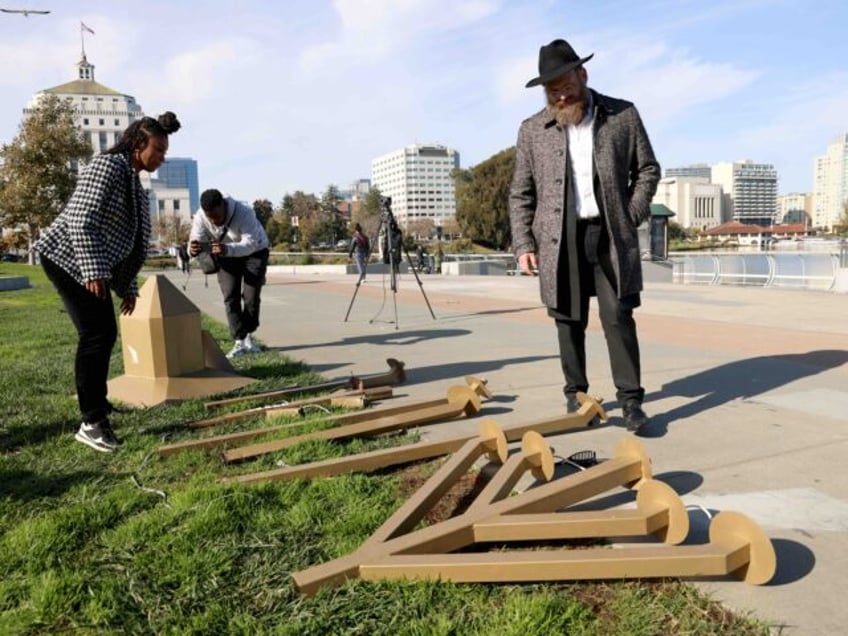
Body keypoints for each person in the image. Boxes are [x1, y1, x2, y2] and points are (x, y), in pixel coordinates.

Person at [509, 39, 660, 433]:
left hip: (610, 234)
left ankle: (631, 403)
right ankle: (577, 398)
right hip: (560, 239)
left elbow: (647, 170)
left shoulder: (622, 115)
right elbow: (520, 192)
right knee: (568, 320)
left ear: (583, 75)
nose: (561, 93)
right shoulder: (532, 130)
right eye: (552, 88)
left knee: (618, 317)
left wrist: (628, 215)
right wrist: (524, 243)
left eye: (566, 83)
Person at [36, 111, 182, 452]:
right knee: (97, 333)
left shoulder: (132, 177)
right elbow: (81, 220)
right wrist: (94, 271)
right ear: (137, 145)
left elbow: (129, 240)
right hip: (66, 257)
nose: (161, 158)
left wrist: (127, 285)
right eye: (157, 150)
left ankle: (98, 406)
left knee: (102, 332)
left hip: (91, 262)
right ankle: (91, 422)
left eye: (164, 151)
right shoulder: (107, 166)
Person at [189, 188, 270, 358]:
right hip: (225, 254)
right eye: (210, 218)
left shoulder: (244, 212)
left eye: (218, 217)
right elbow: (196, 240)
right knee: (230, 296)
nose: (215, 222)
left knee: (251, 295)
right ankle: (239, 341)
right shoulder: (200, 217)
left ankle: (248, 334)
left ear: (224, 206)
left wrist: (227, 248)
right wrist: (193, 249)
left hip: (255, 252)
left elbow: (251, 244)